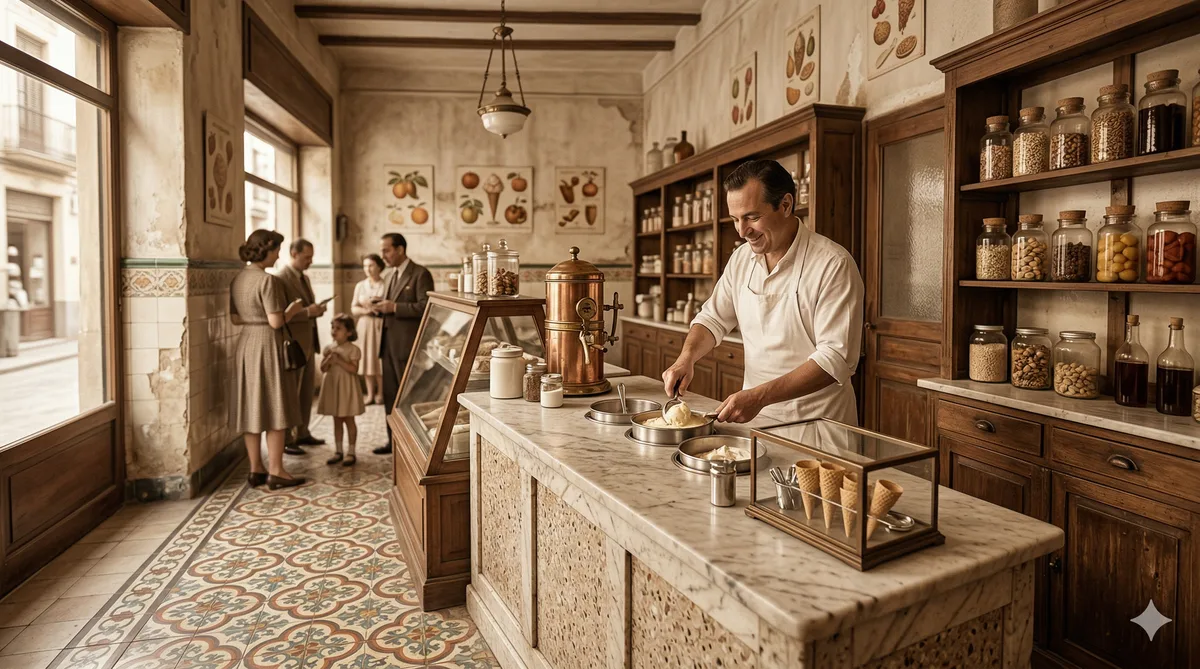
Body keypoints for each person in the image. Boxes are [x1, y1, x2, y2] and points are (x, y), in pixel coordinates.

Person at [662, 159, 864, 425]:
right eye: (735, 219)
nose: (742, 231)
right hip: (756, 422)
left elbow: (835, 359)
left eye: (752, 217)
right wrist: (685, 358)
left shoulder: (832, 264)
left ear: (786, 205)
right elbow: (712, 319)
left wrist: (759, 397)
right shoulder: (741, 258)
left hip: (818, 426)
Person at [229, 229, 308, 490]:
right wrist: (292, 310)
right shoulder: (268, 281)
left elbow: (235, 318)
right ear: (266, 250)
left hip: (246, 343)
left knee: (251, 406)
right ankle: (277, 470)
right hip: (268, 344)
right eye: (276, 251)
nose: (278, 256)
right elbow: (276, 321)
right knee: (276, 405)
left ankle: (256, 469)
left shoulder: (238, 279)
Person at [371, 233, 434, 455]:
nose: (383, 256)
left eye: (386, 250)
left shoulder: (420, 274)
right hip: (387, 345)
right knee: (391, 396)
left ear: (400, 249)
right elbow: (390, 305)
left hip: (407, 347)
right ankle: (393, 442)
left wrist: (394, 308)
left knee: (409, 397)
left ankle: (413, 446)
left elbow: (426, 307)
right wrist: (380, 308)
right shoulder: (390, 275)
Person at [276, 239, 327, 454]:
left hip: (308, 342)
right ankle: (288, 438)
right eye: (307, 257)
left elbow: (304, 308)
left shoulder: (304, 278)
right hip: (293, 344)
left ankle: (303, 432)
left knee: (306, 392)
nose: (310, 261)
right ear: (293, 254)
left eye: (312, 257)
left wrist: (316, 311)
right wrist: (308, 312)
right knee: (291, 394)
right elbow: (280, 314)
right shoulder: (281, 278)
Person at [318, 314, 365, 466]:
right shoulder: (328, 348)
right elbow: (323, 368)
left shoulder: (353, 349)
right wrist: (328, 360)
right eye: (332, 327)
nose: (334, 330)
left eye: (338, 328)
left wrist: (339, 360)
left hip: (346, 388)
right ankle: (338, 451)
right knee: (336, 420)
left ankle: (351, 452)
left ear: (349, 332)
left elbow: (354, 369)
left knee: (349, 420)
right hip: (333, 387)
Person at [351, 254, 387, 405]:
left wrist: (379, 308)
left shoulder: (386, 284)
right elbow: (353, 308)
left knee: (379, 359)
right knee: (367, 359)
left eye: (371, 265)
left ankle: (381, 393)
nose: (368, 269)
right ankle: (370, 394)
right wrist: (366, 311)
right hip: (365, 325)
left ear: (379, 267)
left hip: (380, 324)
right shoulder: (360, 285)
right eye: (365, 266)